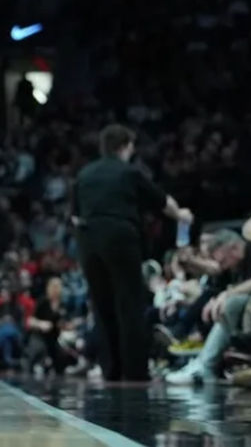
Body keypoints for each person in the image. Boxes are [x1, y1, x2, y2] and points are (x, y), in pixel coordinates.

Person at [72, 124, 193, 381]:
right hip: (120, 236)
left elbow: (74, 215)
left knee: (101, 303)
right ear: (125, 146)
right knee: (129, 300)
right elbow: (162, 201)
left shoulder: (84, 174)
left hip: (88, 239)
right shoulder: (128, 172)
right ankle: (135, 370)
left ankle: (110, 369)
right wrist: (181, 214)